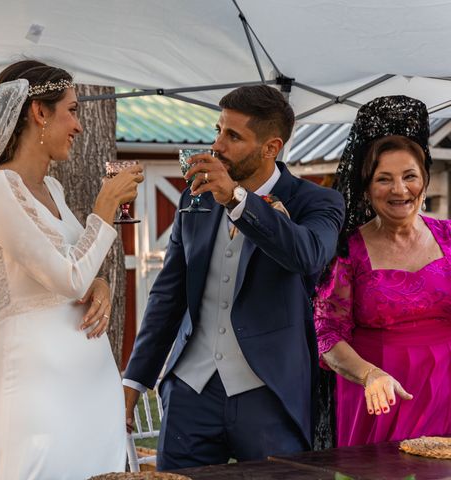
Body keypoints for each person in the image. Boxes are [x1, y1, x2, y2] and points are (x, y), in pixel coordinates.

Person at [0, 60, 144, 480]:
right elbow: (66, 278)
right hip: (37, 387)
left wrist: (102, 282)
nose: (79, 126)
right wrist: (104, 207)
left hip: (90, 388)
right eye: (71, 110)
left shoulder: (52, 188)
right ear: (38, 113)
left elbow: (75, 270)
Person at [122, 85, 345, 470]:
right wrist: (134, 382)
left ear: (270, 148)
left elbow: (308, 255)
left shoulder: (318, 201)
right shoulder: (196, 197)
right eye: (218, 130)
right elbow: (168, 295)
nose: (217, 145)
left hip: (268, 393)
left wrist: (239, 201)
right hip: (191, 390)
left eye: (233, 136)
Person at [314, 95, 451, 447]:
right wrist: (369, 375)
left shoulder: (449, 237)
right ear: (367, 188)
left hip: (446, 390)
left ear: (424, 182)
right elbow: (327, 335)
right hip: (378, 396)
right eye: (384, 179)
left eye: (409, 176)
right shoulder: (347, 251)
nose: (399, 189)